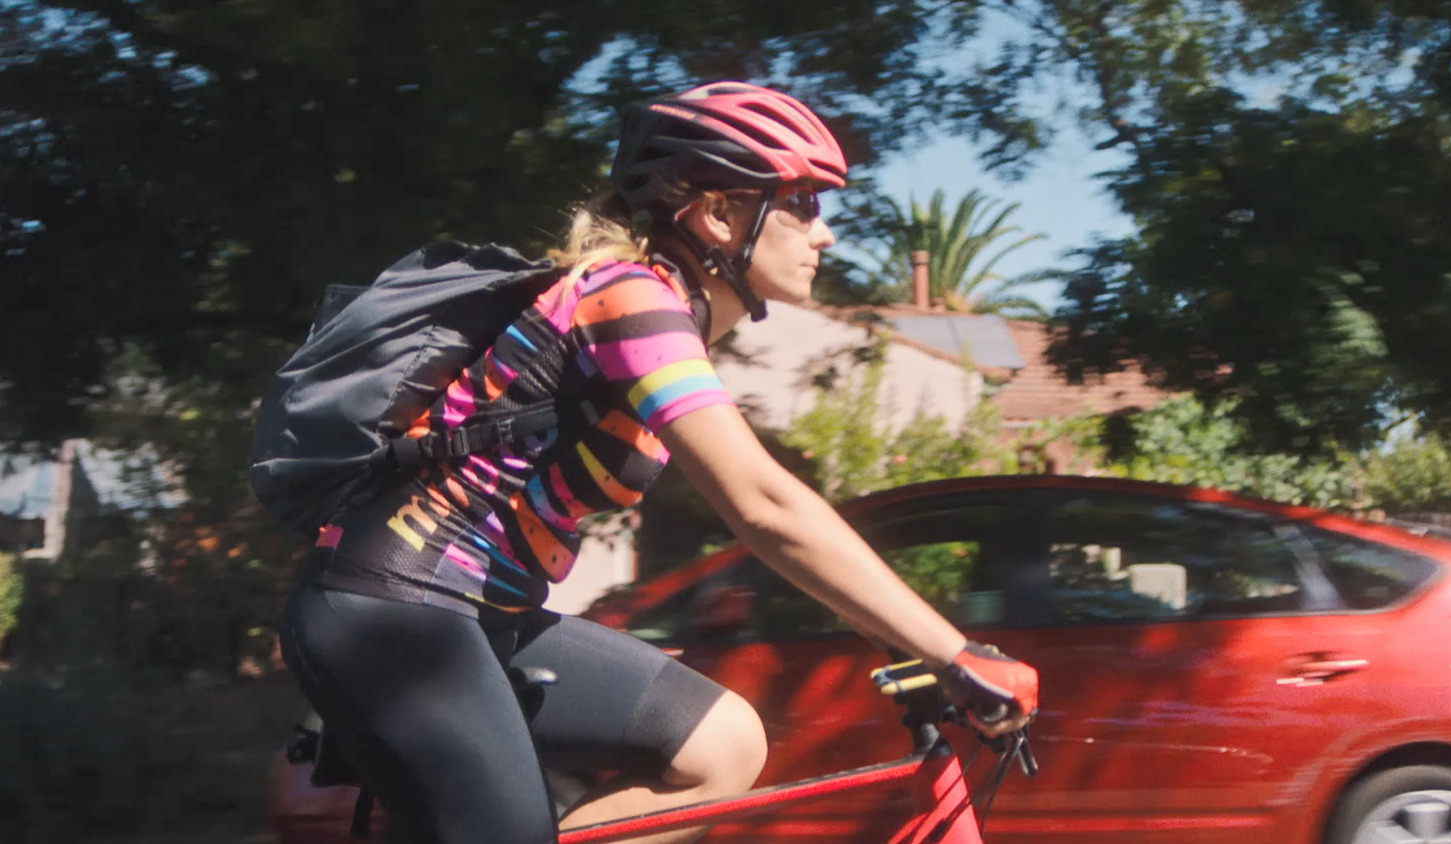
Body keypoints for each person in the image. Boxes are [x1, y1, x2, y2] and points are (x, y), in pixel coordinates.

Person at [277, 81, 1039, 844]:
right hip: (392, 612)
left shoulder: (657, 312)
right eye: (802, 204)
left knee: (721, 744)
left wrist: (910, 632)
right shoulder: (629, 299)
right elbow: (765, 505)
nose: (825, 234)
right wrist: (952, 648)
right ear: (715, 214)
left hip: (479, 615)